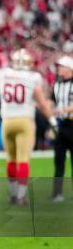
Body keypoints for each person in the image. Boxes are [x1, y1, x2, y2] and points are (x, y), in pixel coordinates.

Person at [0, 49, 57, 205]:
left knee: (10, 159)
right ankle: (20, 196)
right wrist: (52, 120)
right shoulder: (33, 78)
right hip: (24, 121)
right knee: (23, 160)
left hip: (7, 122)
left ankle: (12, 194)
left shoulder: (4, 74)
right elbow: (42, 104)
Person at [50, 55, 73, 202]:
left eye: (61, 66)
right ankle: (57, 193)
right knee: (58, 160)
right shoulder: (56, 84)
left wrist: (63, 109)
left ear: (69, 69)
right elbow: (51, 101)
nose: (58, 69)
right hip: (61, 125)